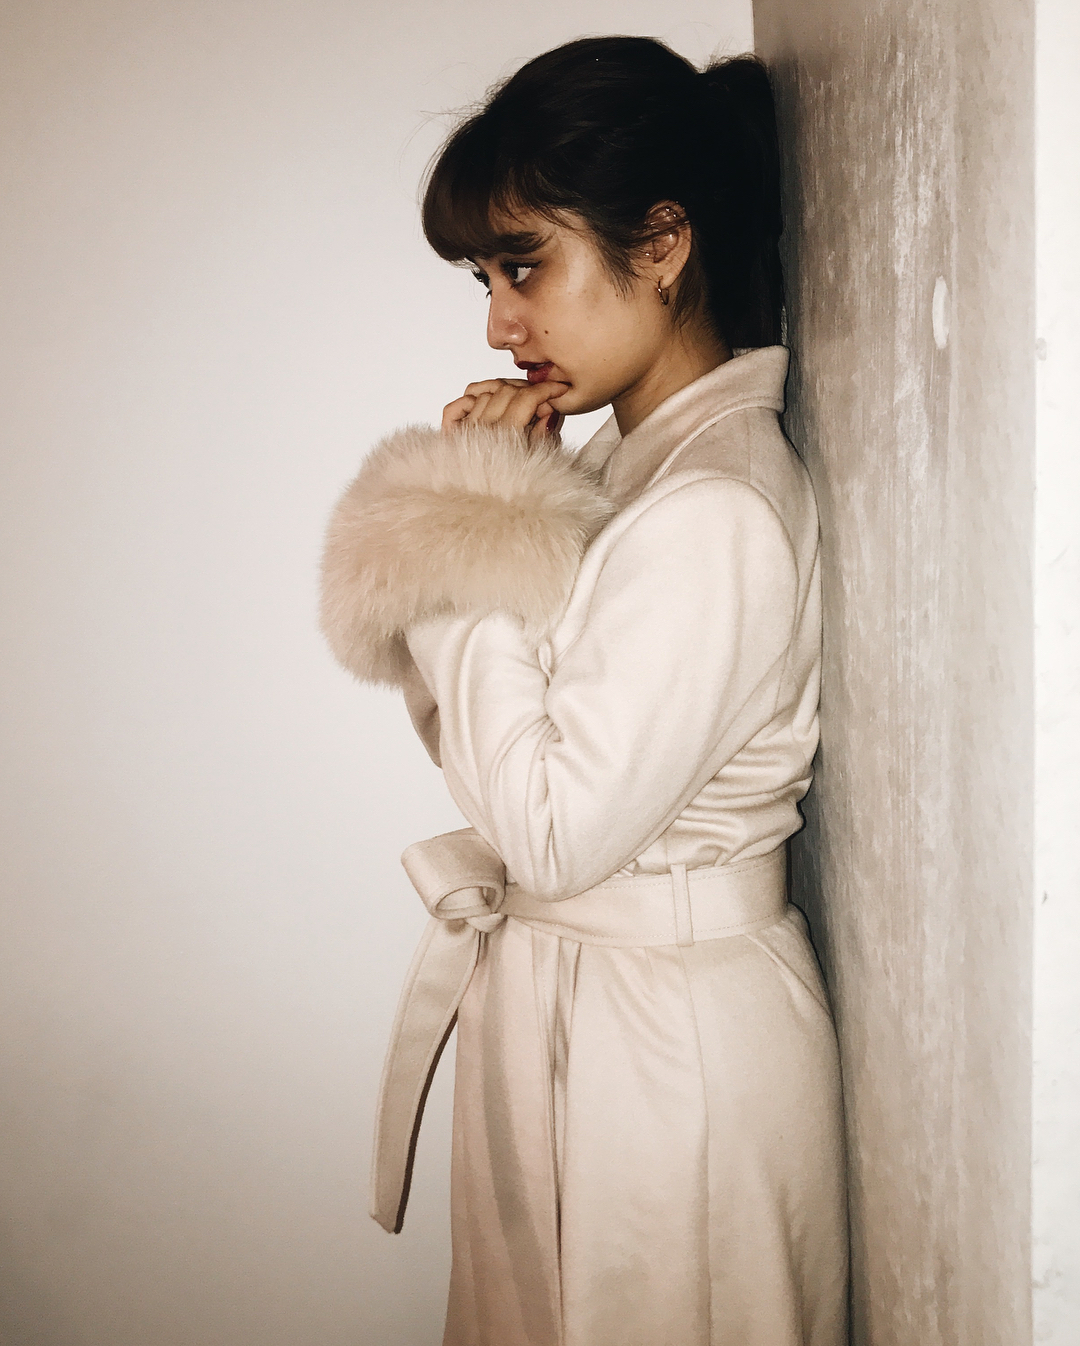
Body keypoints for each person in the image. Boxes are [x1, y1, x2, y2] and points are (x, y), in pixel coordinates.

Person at [319, 35, 848, 1346]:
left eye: (524, 267)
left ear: (660, 243)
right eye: (486, 280)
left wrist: (483, 519)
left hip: (666, 1054)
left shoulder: (717, 507)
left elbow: (551, 829)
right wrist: (494, 515)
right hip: (581, 1012)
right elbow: (475, 747)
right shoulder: (625, 473)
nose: (500, 324)